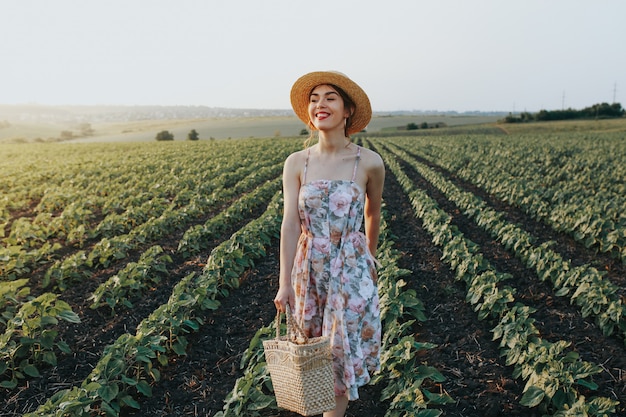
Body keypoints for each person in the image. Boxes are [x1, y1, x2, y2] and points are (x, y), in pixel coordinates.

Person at [273, 71, 385, 417]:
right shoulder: (297, 162)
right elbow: (290, 223)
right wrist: (284, 283)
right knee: (313, 353)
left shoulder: (368, 162)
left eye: (330, 98)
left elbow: (373, 215)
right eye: (314, 99)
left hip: (350, 268)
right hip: (309, 269)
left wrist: (370, 259)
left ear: (348, 110)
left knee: (338, 353)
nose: (320, 104)